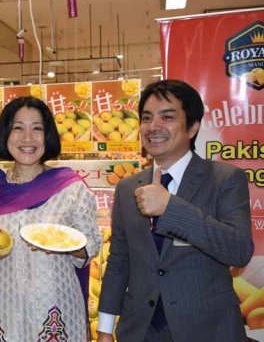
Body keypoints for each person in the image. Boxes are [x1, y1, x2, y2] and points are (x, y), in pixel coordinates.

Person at [97, 80, 254, 342]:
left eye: (167, 117)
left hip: (207, 329)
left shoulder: (225, 179)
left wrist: (171, 207)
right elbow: (119, 260)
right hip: (140, 331)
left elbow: (239, 251)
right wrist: (104, 328)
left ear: (192, 127)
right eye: (146, 118)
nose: (153, 127)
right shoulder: (127, 187)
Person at [0, 96, 101, 341]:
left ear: (47, 135)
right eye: (18, 128)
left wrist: (70, 245)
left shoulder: (70, 188)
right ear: (5, 135)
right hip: (2, 304)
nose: (27, 138)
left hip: (54, 308)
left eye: (37, 129)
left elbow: (91, 245)